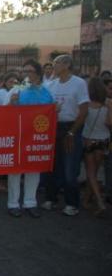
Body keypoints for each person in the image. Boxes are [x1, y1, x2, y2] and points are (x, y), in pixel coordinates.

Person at [6, 60, 54, 218]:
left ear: (38, 73)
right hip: (19, 135)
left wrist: (55, 109)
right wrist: (12, 103)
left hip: (36, 137)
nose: (26, 74)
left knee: (33, 169)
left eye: (30, 71)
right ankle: (13, 203)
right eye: (24, 71)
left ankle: (30, 202)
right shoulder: (18, 89)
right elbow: (5, 111)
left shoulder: (47, 91)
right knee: (16, 170)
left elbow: (50, 111)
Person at [43, 54, 89, 216]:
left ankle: (72, 203)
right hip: (54, 127)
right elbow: (44, 107)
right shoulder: (50, 85)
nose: (53, 66)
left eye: (56, 63)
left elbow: (84, 110)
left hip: (72, 128)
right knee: (52, 165)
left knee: (70, 168)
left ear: (67, 64)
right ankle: (51, 198)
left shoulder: (79, 83)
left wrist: (72, 132)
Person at [81, 77, 111, 217]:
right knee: (94, 172)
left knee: (91, 174)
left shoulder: (86, 105)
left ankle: (99, 202)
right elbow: (108, 123)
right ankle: (87, 200)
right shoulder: (109, 104)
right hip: (104, 141)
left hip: (89, 141)